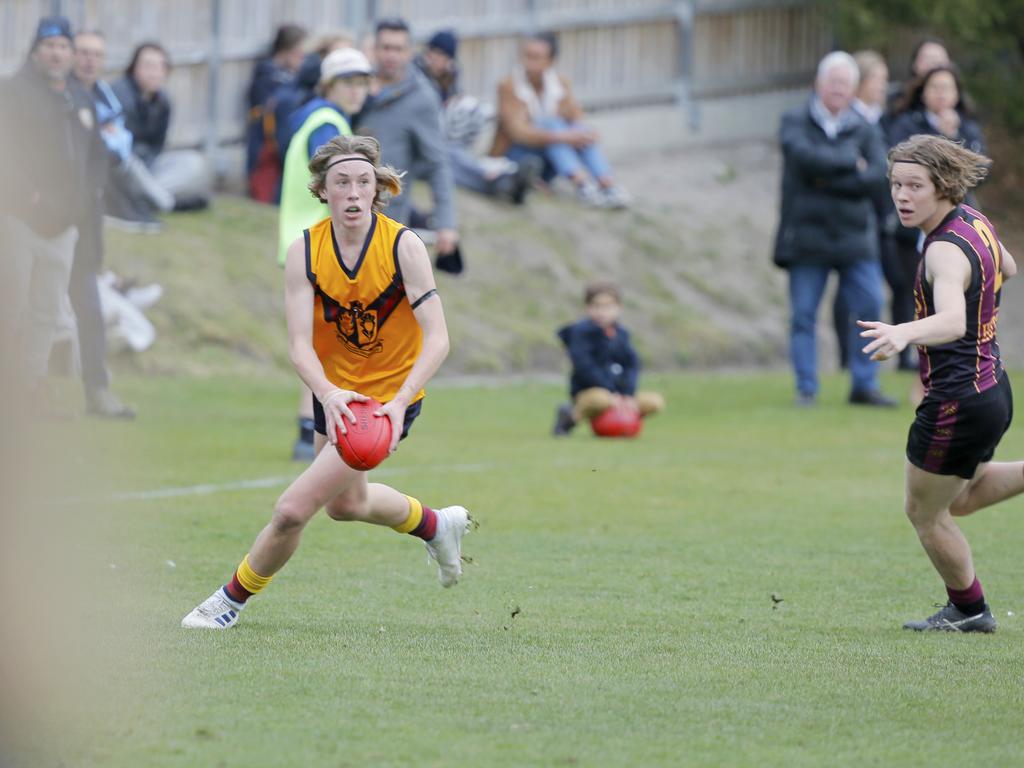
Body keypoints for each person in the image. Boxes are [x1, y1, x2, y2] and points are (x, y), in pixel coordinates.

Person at [182, 134, 472, 630]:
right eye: (342, 183)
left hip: (385, 401)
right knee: (346, 504)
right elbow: (300, 346)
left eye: (364, 182)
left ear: (378, 188)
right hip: (334, 393)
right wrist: (329, 393)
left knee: (293, 509)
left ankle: (228, 602)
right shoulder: (306, 252)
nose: (354, 192)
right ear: (323, 190)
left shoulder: (404, 246)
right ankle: (436, 524)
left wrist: (400, 402)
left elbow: (439, 339)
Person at [858, 135, 1021, 632]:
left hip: (958, 401)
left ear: (943, 185)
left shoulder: (943, 251)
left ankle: (970, 612)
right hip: (991, 388)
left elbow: (951, 321)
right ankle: (968, 609)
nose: (902, 196)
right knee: (962, 499)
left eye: (915, 186)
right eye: (896, 185)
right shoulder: (975, 222)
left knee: (925, 512)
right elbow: (1008, 267)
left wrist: (904, 331)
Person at [772, 51, 895, 408]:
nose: (839, 89)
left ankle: (864, 384)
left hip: (855, 236)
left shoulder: (866, 127)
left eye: (846, 83)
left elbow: (875, 177)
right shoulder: (794, 120)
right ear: (819, 83)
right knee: (803, 315)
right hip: (807, 238)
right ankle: (806, 388)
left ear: (854, 88)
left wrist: (825, 178)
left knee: (870, 307)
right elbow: (802, 159)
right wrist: (848, 164)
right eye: (833, 82)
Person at [0, 17, 99, 412]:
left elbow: (95, 158)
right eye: (50, 45)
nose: (57, 53)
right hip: (20, 219)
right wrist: (29, 196)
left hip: (64, 226)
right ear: (36, 50)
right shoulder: (13, 93)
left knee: (46, 311)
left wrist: (83, 199)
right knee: (11, 306)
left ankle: (29, 388)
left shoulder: (78, 97)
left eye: (63, 46)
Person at [279, 46, 372, 462]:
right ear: (329, 85)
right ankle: (311, 427)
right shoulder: (329, 123)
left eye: (362, 82)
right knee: (323, 340)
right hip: (319, 244)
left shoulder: (313, 116)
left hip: (301, 242)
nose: (357, 90)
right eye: (348, 82)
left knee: (316, 337)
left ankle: (309, 427)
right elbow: (334, 179)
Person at [356, 18, 462, 273]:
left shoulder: (422, 98)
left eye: (398, 48)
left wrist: (446, 224)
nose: (391, 55)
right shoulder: (355, 84)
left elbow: (438, 163)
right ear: (374, 49)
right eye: (385, 47)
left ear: (410, 53)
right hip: (340, 208)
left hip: (386, 217)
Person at [69, 29, 136, 418]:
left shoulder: (102, 97)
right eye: (83, 52)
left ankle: (97, 390)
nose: (89, 60)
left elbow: (119, 147)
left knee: (87, 301)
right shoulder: (60, 97)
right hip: (47, 216)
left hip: (87, 215)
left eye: (97, 53)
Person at [489, 31, 629, 209]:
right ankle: (583, 184)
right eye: (527, 56)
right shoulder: (508, 85)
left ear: (550, 61)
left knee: (579, 129)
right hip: (516, 158)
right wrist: (562, 137)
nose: (529, 63)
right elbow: (518, 132)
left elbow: (576, 115)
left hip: (547, 159)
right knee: (553, 125)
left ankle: (606, 184)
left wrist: (586, 133)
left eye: (536, 57)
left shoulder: (560, 83)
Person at [415, 29, 539, 205]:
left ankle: (504, 182)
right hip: (423, 141)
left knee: (452, 160)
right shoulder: (415, 75)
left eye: (442, 55)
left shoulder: (449, 75)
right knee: (447, 161)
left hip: (445, 138)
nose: (436, 58)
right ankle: (504, 180)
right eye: (435, 52)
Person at [552, 280, 664, 436]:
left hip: (620, 395)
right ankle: (570, 417)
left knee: (654, 401)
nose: (602, 312)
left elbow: (632, 364)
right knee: (601, 399)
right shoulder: (580, 333)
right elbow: (585, 366)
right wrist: (611, 393)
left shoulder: (622, 335)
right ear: (588, 307)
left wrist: (628, 394)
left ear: (619, 308)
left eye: (608, 307)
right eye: (596, 306)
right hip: (592, 393)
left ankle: (624, 422)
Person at [113, 42, 211, 214]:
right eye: (148, 66)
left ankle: (147, 197)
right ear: (134, 68)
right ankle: (168, 203)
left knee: (193, 162)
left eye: (160, 67)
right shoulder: (120, 95)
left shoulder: (163, 101)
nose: (154, 73)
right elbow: (120, 148)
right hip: (123, 167)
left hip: (149, 166)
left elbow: (158, 146)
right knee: (132, 165)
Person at [245, 23, 307, 200]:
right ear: (286, 50)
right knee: (266, 191)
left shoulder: (290, 77)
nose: (302, 59)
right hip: (266, 145)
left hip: (279, 144)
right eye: (298, 53)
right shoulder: (268, 77)